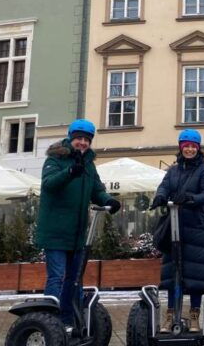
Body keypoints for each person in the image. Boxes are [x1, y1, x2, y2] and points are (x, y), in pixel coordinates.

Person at [36, 119, 121, 326]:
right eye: (79, 139)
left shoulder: (89, 164)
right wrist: (70, 172)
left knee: (75, 279)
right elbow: (49, 185)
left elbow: (96, 189)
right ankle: (51, 322)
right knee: (56, 277)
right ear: (71, 139)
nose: (82, 143)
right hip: (56, 231)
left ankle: (72, 321)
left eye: (86, 140)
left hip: (77, 234)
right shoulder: (55, 158)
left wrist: (108, 200)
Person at [151, 129, 204, 333]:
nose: (189, 149)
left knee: (195, 274)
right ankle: (171, 315)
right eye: (185, 145)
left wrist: (190, 199)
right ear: (181, 147)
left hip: (195, 227)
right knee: (172, 273)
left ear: (198, 148)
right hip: (174, 226)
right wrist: (161, 197)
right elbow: (164, 187)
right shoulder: (174, 170)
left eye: (192, 146)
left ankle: (194, 315)